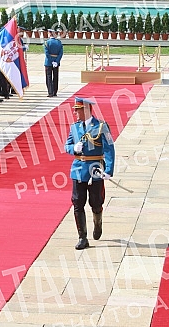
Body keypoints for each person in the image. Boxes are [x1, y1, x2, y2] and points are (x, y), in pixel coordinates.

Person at [64, 97, 115, 250]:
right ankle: (82, 237)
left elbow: (109, 148)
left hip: (95, 169)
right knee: (77, 203)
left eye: (77, 109)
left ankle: (97, 222)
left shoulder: (101, 126)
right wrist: (73, 148)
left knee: (96, 202)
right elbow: (67, 145)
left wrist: (108, 170)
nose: (75, 112)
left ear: (86, 110)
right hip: (78, 169)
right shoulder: (75, 127)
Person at [43, 29, 63, 97]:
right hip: (56, 62)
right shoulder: (59, 42)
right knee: (55, 77)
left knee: (48, 77)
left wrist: (51, 61)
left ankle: (50, 92)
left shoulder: (46, 42)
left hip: (48, 62)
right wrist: (56, 61)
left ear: (49, 34)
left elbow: (47, 53)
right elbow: (61, 53)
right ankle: (55, 92)